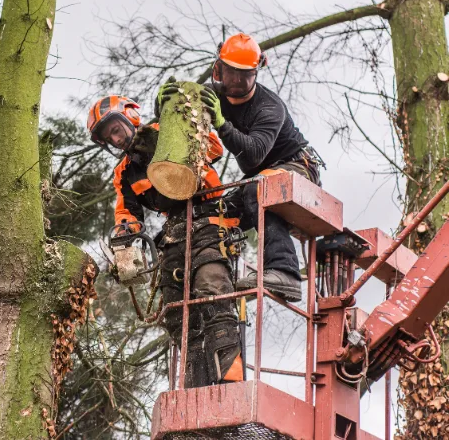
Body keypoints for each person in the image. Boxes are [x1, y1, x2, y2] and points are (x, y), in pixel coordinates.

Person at [88, 95, 243, 388]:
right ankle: (195, 390)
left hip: (209, 217)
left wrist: (172, 138)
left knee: (212, 291)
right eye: (110, 137)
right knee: (175, 313)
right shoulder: (124, 172)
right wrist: (124, 239)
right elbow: (127, 213)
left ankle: (230, 383)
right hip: (173, 232)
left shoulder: (166, 129)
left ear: (130, 118)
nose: (116, 139)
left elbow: (214, 147)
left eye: (117, 130)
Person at [194, 32, 322, 302]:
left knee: (258, 188)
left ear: (257, 73)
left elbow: (251, 157)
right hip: (261, 177)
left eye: (245, 75)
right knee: (213, 210)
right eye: (231, 74)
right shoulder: (216, 96)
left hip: (296, 166)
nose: (237, 81)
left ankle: (283, 270)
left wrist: (222, 124)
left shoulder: (269, 107)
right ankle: (217, 282)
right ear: (219, 69)